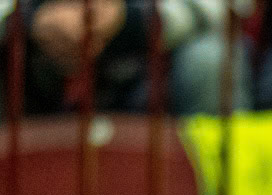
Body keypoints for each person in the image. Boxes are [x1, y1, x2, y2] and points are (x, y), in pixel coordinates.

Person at [0, 0, 245, 114]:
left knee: (210, 59)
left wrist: (130, 19)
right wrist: (29, 19)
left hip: (151, 66)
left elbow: (229, 6)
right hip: (25, 68)